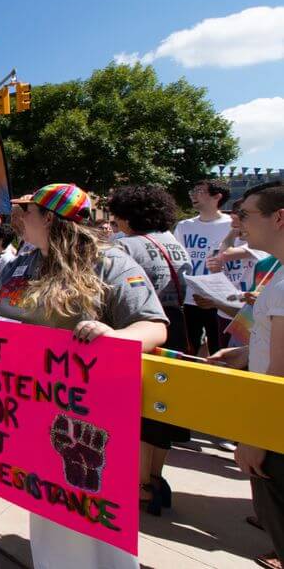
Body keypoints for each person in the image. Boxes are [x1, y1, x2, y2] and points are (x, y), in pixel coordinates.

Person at [0, 183, 167, 569]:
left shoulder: (111, 262)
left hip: (87, 416)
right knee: (48, 514)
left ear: (51, 220)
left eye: (28, 212)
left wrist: (117, 337)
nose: (18, 219)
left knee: (94, 515)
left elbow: (152, 325)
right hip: (27, 406)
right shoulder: (22, 262)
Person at [209, 181, 284, 569]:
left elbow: (280, 372)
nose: (239, 225)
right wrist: (245, 352)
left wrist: (256, 438)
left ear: (279, 217)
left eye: (247, 216)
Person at [108, 185, 193, 515]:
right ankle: (157, 477)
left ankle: (141, 484)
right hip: (177, 327)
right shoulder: (174, 242)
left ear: (127, 217)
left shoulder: (124, 246)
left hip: (142, 328)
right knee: (164, 408)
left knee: (140, 407)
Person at [175, 178, 232, 354]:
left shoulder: (232, 225)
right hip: (190, 298)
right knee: (188, 349)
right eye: (193, 191)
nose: (194, 195)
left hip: (221, 300)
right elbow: (178, 260)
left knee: (219, 349)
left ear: (217, 197)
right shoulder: (185, 226)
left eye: (200, 191)